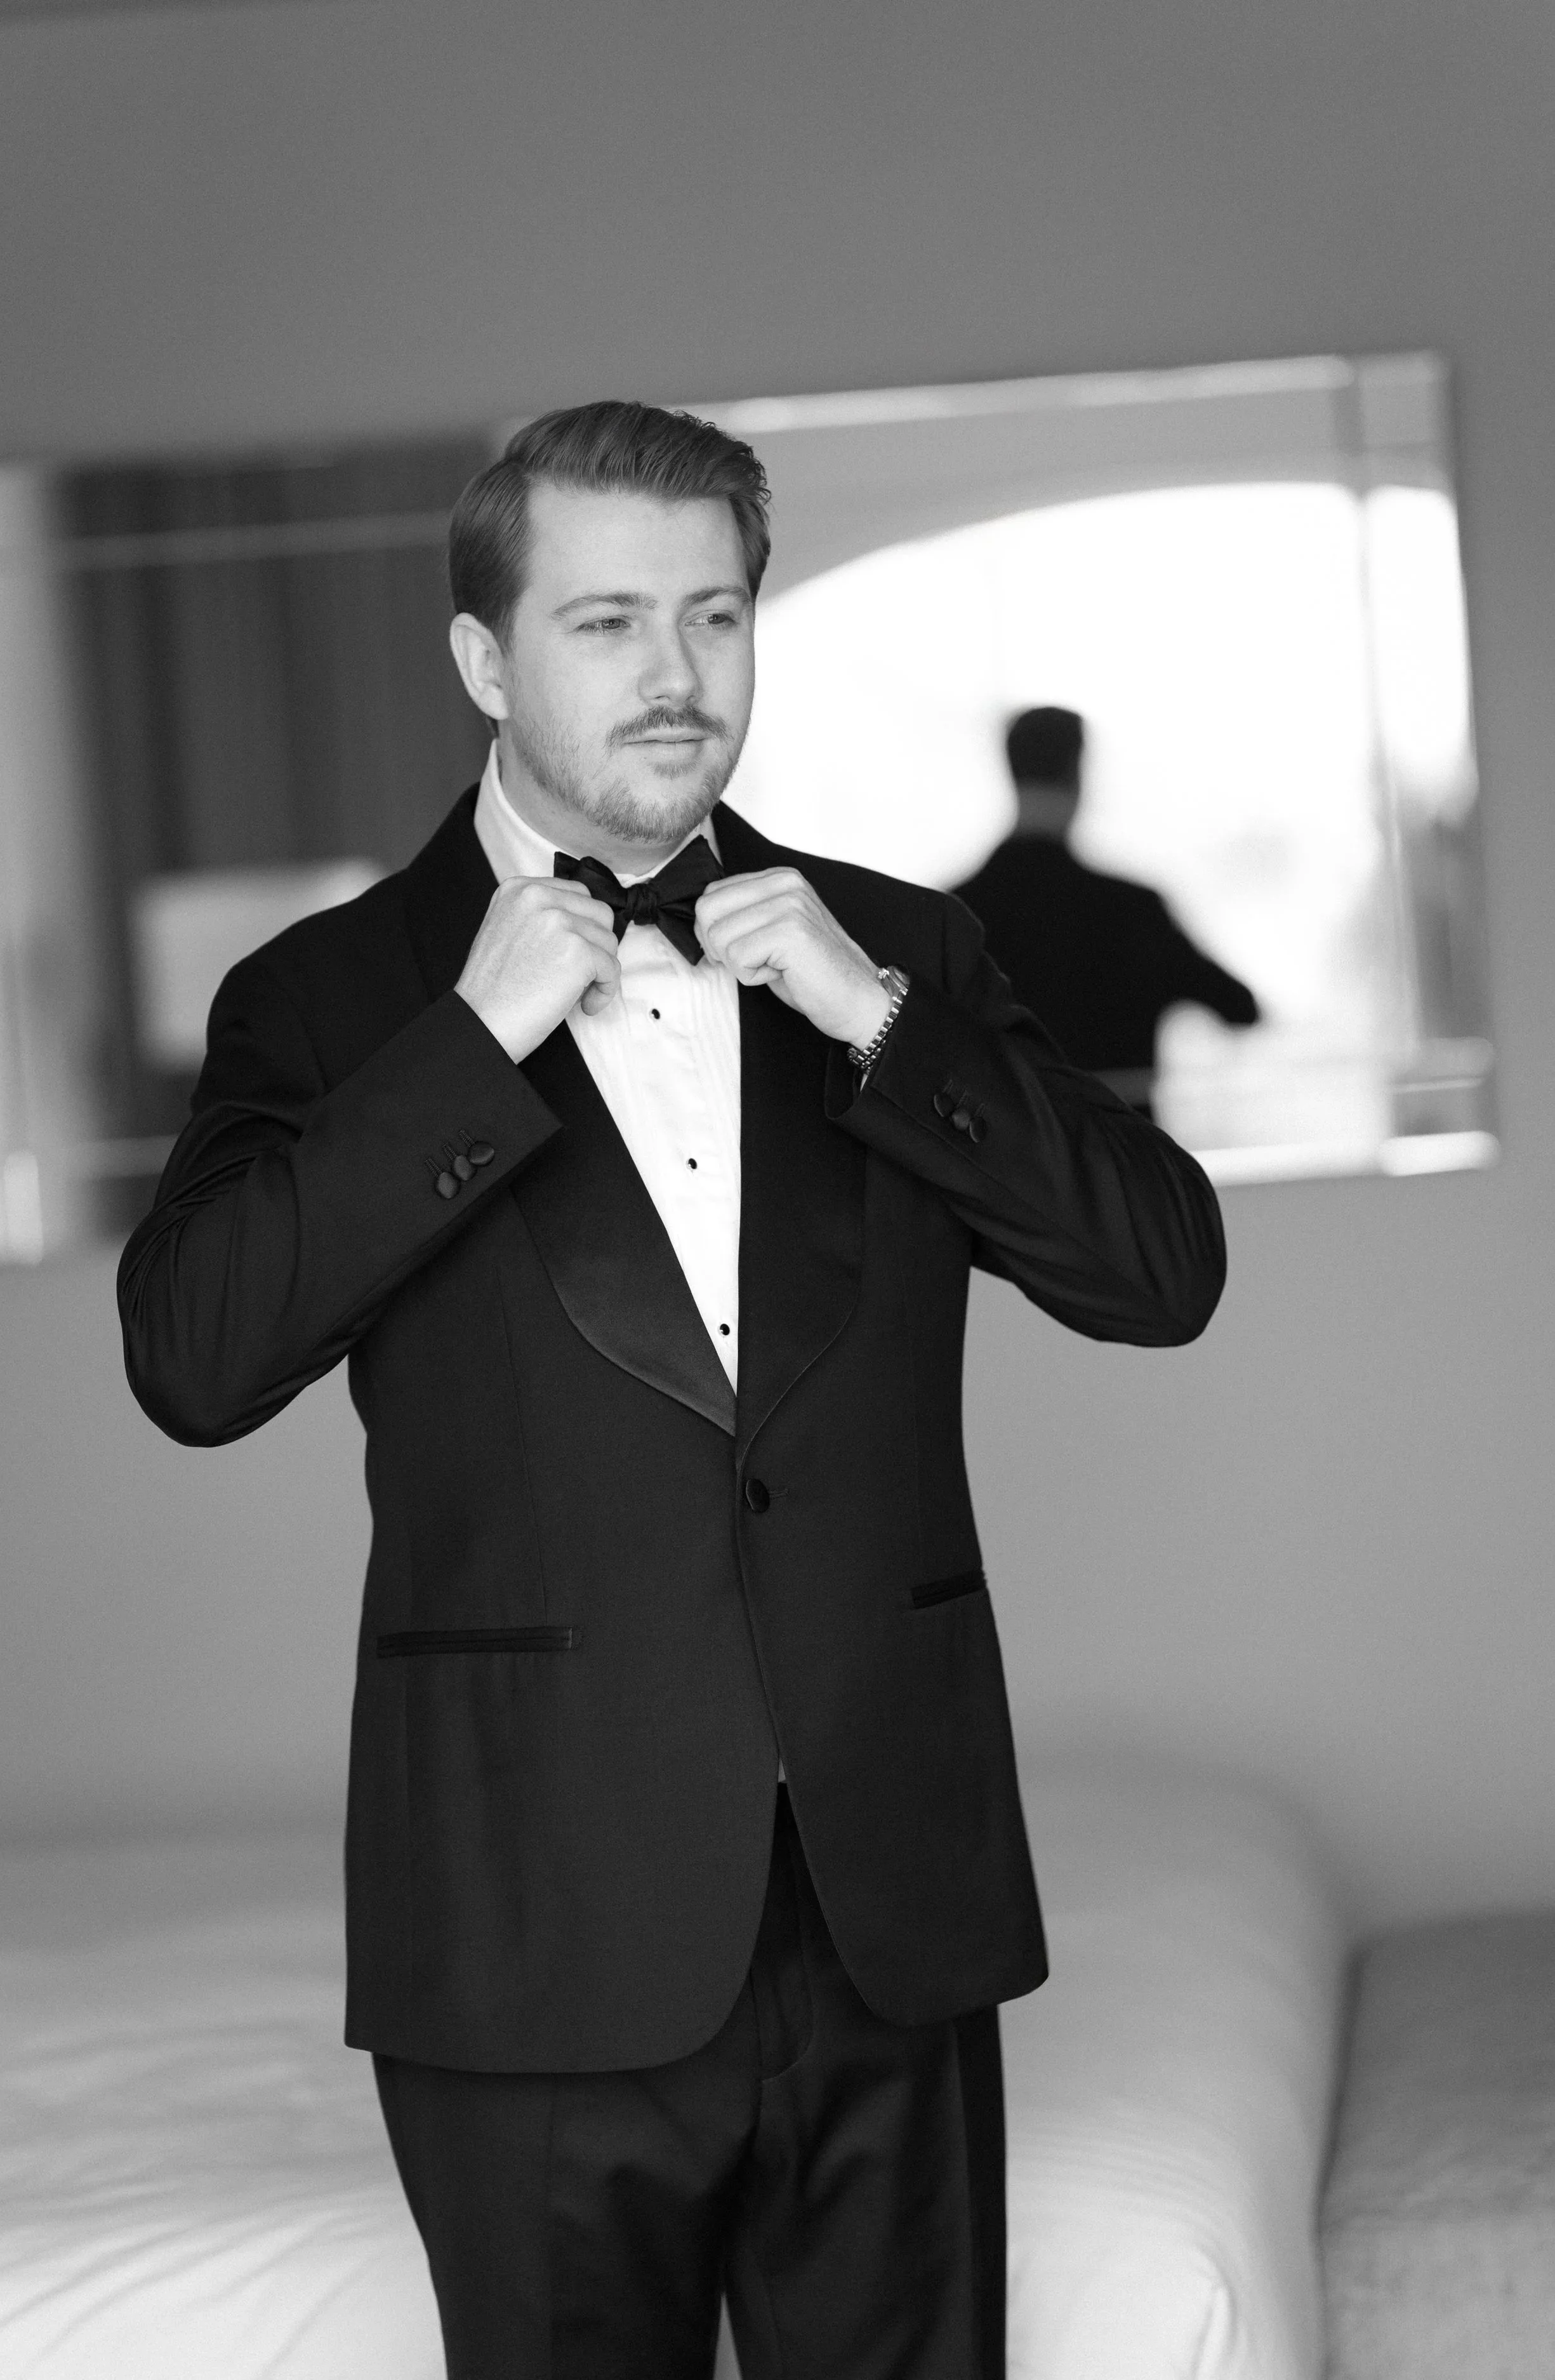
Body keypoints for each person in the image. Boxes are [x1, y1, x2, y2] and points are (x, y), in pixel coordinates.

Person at [117, 404, 1228, 2380]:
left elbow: (1158, 1272)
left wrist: (877, 1023)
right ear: (485, 659)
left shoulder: (900, 944)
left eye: (713, 614)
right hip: (531, 1924)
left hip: (888, 1906)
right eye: (608, 619)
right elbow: (195, 1360)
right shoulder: (326, 996)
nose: (674, 675)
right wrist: (471, 1047)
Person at [955, 707, 1261, 1114]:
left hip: (996, 1166)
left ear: (1010, 772)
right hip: (1122, 1163)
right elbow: (1240, 1008)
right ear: (1077, 773)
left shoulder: (955, 916)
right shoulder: (1134, 911)